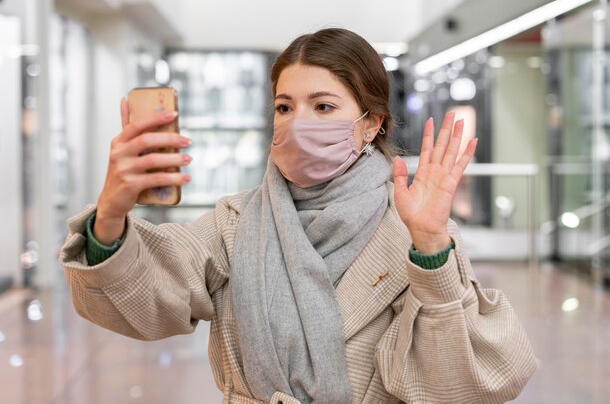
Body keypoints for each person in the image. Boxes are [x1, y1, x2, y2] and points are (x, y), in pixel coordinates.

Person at [59, 28, 537, 404]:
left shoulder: (412, 228)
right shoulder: (235, 222)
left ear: (370, 124)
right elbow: (148, 299)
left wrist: (431, 244)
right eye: (284, 107)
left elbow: (462, 384)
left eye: (323, 106)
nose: (296, 123)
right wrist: (111, 217)